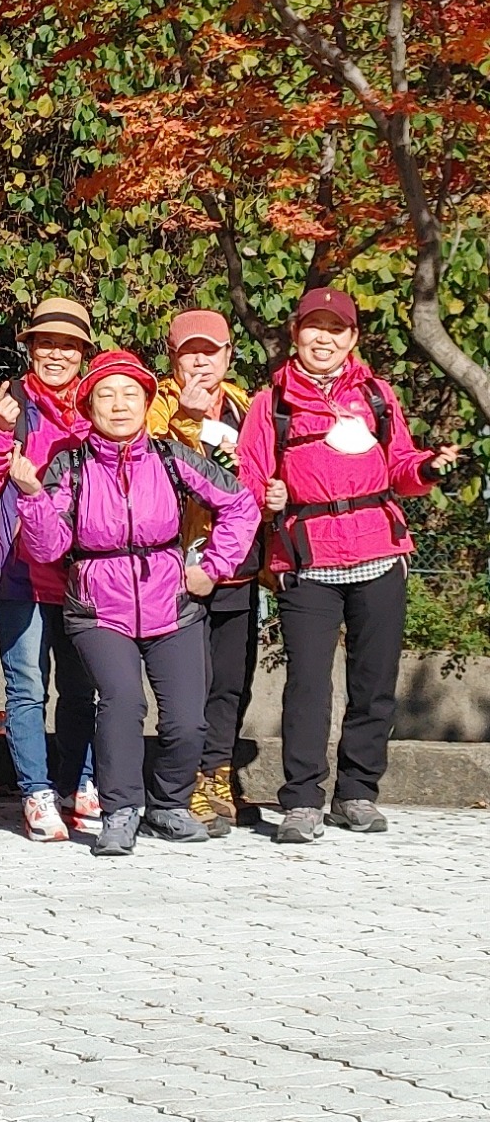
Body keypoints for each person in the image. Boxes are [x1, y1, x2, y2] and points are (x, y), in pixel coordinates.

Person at [8, 349, 261, 858]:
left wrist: (213, 567)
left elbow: (240, 504)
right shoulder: (70, 466)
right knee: (122, 702)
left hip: (171, 602)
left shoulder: (172, 457)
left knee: (187, 718)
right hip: (99, 608)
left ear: (147, 402)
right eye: (106, 395)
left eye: (130, 394)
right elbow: (48, 548)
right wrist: (32, 495)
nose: (119, 405)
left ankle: (168, 805)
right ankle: (120, 810)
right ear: (89, 406)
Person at [236, 287, 460, 844]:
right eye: (314, 326)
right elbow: (248, 476)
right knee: (307, 686)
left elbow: (401, 466)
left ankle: (357, 793)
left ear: (353, 338)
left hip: (379, 552)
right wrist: (266, 497)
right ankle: (302, 800)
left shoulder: (377, 395)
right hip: (306, 558)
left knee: (374, 684)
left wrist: (428, 468)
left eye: (336, 329)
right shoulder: (271, 403)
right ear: (296, 332)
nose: (324, 338)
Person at [0, 296, 98, 842]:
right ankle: (36, 792)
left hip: (83, 572)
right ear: (31, 349)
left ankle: (80, 783)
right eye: (46, 344)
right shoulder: (9, 404)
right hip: (19, 570)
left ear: (83, 354)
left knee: (83, 687)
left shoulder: (99, 405)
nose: (56, 355)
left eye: (68, 346)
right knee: (26, 687)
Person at [148, 308, 282, 835]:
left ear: (228, 355)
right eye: (189, 352)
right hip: (179, 565)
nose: (201, 361)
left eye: (211, 351)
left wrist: (272, 494)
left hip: (238, 566)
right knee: (189, 682)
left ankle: (216, 775)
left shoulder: (248, 406)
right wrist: (185, 418)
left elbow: (262, 473)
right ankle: (181, 782)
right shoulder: (153, 404)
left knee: (230, 681)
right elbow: (154, 471)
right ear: (172, 357)